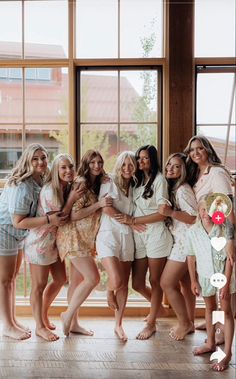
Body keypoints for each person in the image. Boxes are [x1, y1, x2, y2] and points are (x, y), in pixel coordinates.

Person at [0, 143, 66, 340]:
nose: (40, 162)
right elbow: (18, 221)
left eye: (44, 158)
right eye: (35, 158)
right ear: (27, 161)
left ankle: (12, 320)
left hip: (20, 233)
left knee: (11, 279)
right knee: (4, 280)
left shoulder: (41, 180)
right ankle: (7, 325)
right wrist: (49, 220)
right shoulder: (22, 185)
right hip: (5, 230)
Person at [115, 145, 173, 340]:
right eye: (139, 159)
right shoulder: (136, 181)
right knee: (138, 283)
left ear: (153, 160)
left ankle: (151, 323)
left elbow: (161, 213)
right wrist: (133, 223)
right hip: (138, 235)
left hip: (156, 235)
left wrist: (133, 221)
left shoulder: (160, 181)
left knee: (155, 281)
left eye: (145, 159)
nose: (141, 162)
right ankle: (158, 309)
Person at [24, 153, 84, 341]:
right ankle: (39, 326)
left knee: (60, 279)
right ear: (56, 170)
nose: (68, 171)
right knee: (38, 286)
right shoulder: (51, 190)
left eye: (71, 167)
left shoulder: (66, 188)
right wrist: (72, 199)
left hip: (54, 243)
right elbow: (61, 219)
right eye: (63, 167)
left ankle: (43, 315)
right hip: (39, 243)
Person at [57, 150, 112, 336]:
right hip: (74, 237)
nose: (97, 166)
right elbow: (73, 215)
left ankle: (74, 324)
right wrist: (98, 205)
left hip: (84, 238)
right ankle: (68, 315)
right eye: (92, 163)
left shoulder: (97, 182)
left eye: (100, 162)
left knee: (77, 281)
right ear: (86, 164)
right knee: (93, 278)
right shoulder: (81, 183)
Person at [184, 135, 235, 337]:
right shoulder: (199, 174)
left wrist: (230, 241)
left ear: (208, 150)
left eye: (200, 149)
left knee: (222, 289)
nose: (196, 153)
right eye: (192, 150)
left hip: (222, 233)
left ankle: (222, 330)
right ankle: (214, 323)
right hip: (206, 234)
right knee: (212, 288)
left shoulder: (216, 173)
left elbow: (228, 207)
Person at [96, 151, 143, 341]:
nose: (127, 168)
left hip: (127, 238)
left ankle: (118, 324)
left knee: (123, 284)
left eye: (131, 165)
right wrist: (128, 220)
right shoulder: (109, 181)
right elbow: (105, 207)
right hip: (109, 235)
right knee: (115, 279)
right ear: (118, 165)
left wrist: (130, 223)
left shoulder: (135, 185)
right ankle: (108, 292)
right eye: (124, 164)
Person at [186, 197, 235, 372]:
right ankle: (211, 343)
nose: (207, 213)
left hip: (224, 275)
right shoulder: (192, 232)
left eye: (211, 210)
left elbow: (230, 260)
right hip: (205, 277)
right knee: (210, 308)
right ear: (199, 211)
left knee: (226, 311)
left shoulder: (224, 231)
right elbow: (190, 257)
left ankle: (227, 353)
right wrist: (193, 280)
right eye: (203, 209)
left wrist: (227, 283)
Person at [159, 153, 197, 340]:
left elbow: (194, 218)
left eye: (176, 166)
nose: (170, 169)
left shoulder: (182, 190)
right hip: (182, 241)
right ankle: (189, 321)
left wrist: (171, 212)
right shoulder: (175, 189)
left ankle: (184, 323)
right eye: (169, 166)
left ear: (184, 170)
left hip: (185, 242)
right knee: (186, 283)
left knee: (166, 283)